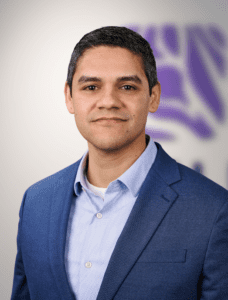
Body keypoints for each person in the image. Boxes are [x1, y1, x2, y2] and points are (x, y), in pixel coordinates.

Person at [11, 26, 228, 300]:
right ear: (69, 97)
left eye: (127, 86)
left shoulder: (214, 209)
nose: (108, 101)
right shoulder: (36, 203)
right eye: (91, 87)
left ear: (153, 96)